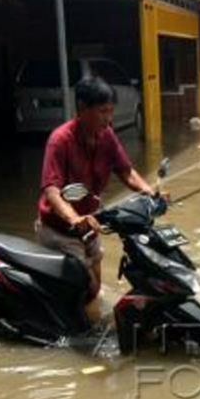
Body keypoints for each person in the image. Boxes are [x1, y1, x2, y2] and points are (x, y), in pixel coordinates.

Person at [35, 76, 157, 303]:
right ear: (81, 108)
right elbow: (51, 189)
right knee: (84, 287)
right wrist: (74, 218)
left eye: (111, 111)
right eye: (102, 112)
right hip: (60, 230)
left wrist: (150, 192)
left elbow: (126, 171)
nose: (108, 119)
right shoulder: (60, 140)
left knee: (95, 287)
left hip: (91, 225)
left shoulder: (107, 136)